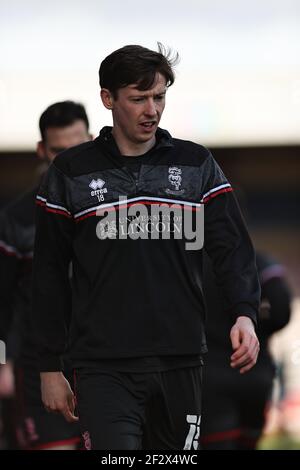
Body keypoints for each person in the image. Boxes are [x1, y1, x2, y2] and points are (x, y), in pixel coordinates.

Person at [31, 44, 260, 451]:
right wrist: (50, 366)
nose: (151, 110)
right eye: (138, 99)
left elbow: (233, 250)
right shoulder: (70, 172)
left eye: (159, 97)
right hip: (103, 367)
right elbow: (48, 275)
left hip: (182, 359)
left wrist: (245, 314)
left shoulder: (197, 164)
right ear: (108, 99)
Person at [0, 101, 92, 449]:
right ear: (41, 150)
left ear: (94, 141)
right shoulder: (18, 221)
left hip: (103, 365)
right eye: (58, 151)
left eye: (78, 148)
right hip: (37, 368)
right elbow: (1, 301)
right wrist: (1, 363)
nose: (69, 160)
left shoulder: (118, 210)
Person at [200, 251, 292, 450]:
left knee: (216, 441)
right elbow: (281, 311)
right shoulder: (258, 261)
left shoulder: (192, 263)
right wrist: (254, 328)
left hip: (209, 375)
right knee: (247, 442)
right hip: (255, 373)